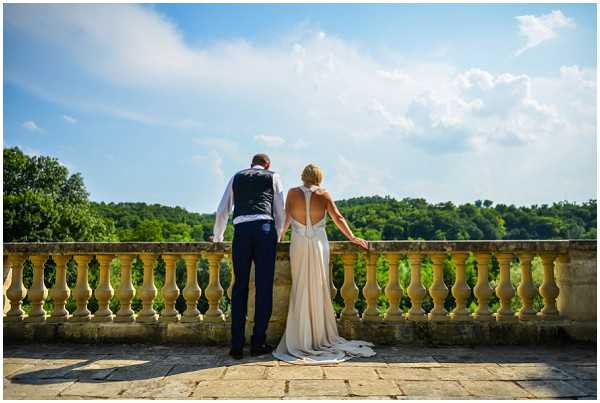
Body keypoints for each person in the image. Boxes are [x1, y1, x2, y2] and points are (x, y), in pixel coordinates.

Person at [272, 163, 376, 364]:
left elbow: (286, 219)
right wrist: (352, 237)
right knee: (319, 287)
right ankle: (319, 335)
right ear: (319, 176)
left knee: (301, 286)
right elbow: (338, 217)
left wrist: (280, 237)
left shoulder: (293, 193)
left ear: (303, 175)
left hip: (300, 244)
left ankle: (301, 336)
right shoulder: (324, 194)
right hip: (319, 244)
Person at [213, 153, 285, 360]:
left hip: (241, 231)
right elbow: (280, 210)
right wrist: (278, 236)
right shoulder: (273, 176)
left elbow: (222, 210)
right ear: (268, 164)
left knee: (240, 287)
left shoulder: (237, 176)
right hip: (264, 229)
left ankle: (236, 344)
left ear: (251, 164)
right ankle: (258, 342)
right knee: (263, 287)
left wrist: (218, 237)